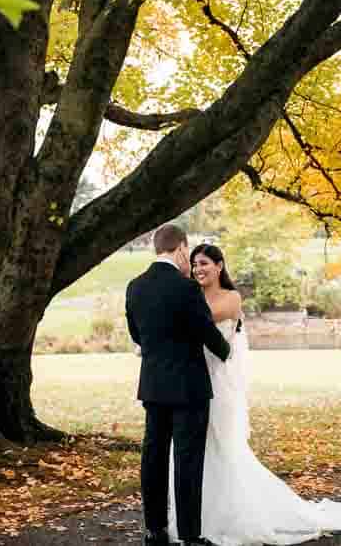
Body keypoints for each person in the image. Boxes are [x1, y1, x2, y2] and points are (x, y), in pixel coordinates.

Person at [166, 243, 341, 545]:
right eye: (194, 264)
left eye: (203, 263)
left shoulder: (230, 298)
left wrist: (173, 311)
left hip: (219, 387)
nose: (198, 269)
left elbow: (198, 322)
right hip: (192, 385)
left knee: (224, 451)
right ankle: (196, 522)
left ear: (219, 266)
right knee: (195, 456)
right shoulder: (193, 297)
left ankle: (234, 517)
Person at [126, 224, 231, 546]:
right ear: (182, 248)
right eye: (189, 255)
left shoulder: (135, 286)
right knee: (187, 460)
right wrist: (227, 349)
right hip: (188, 387)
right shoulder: (186, 288)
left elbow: (136, 335)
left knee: (153, 456)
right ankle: (189, 535)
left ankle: (154, 530)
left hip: (154, 386)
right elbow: (207, 334)